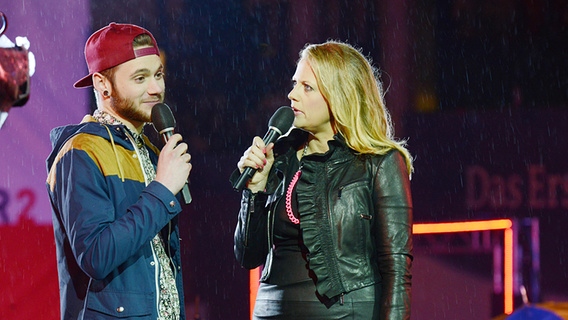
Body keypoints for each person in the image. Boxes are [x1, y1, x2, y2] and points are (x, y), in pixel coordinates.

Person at [232, 40, 413, 319]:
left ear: (339, 96)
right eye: (295, 84)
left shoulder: (379, 162)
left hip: (345, 313)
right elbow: (248, 256)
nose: (292, 95)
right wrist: (254, 191)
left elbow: (396, 268)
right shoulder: (280, 157)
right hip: (272, 310)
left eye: (307, 87)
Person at [46, 23, 191, 320]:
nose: (156, 88)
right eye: (140, 78)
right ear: (102, 84)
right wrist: (162, 190)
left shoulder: (151, 150)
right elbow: (96, 256)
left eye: (158, 74)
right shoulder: (82, 151)